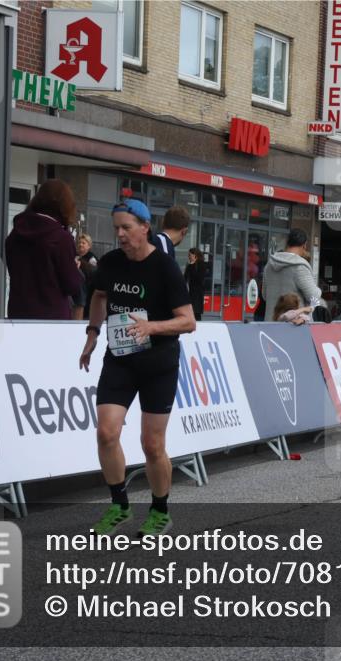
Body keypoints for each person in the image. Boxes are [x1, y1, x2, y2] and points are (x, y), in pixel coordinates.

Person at [80, 198, 196, 538]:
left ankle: (160, 511)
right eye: (116, 228)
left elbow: (188, 322)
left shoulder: (164, 267)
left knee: (151, 444)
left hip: (158, 363)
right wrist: (92, 333)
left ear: (145, 228)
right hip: (120, 358)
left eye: (126, 228)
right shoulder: (112, 262)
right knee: (106, 432)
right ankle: (119, 505)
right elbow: (100, 296)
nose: (120, 234)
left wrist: (151, 328)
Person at [5, 179, 84, 320]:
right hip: (52, 317)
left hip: (18, 313)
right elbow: (72, 285)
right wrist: (74, 268)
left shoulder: (15, 233)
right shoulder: (61, 238)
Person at [262, 229, 321, 317]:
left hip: (272, 322)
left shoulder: (269, 265)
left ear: (287, 243)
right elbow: (314, 296)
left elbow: (264, 296)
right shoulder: (300, 267)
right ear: (304, 245)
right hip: (294, 325)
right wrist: (318, 290)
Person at [73, 233, 99, 320]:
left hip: (88, 292)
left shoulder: (92, 259)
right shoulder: (75, 257)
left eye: (83, 243)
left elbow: (94, 274)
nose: (80, 245)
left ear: (89, 246)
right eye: (79, 243)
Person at [184, 248, 206, 321]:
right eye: (188, 255)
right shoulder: (190, 265)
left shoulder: (201, 265)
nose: (189, 257)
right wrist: (190, 266)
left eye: (190, 255)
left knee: (196, 313)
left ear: (195, 256)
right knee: (190, 312)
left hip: (198, 293)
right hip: (191, 292)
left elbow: (199, 278)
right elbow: (185, 278)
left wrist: (191, 266)